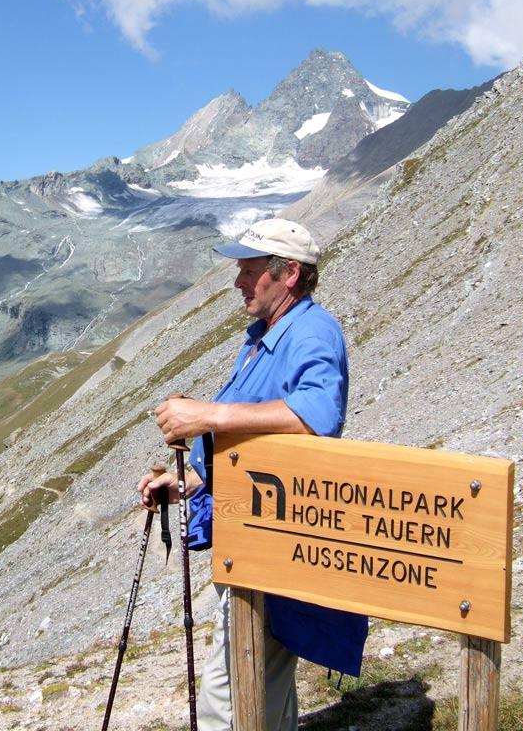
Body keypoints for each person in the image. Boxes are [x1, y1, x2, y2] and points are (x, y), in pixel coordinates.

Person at [138, 217, 368, 730]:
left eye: (249, 270)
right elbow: (253, 445)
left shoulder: (312, 331)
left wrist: (208, 415)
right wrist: (186, 484)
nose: (238, 281)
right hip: (253, 539)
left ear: (289, 273)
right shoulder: (264, 336)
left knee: (228, 698)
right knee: (262, 686)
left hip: (277, 548)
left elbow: (317, 416)